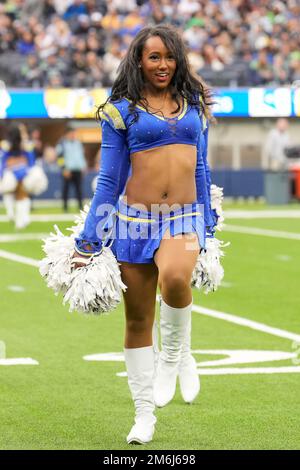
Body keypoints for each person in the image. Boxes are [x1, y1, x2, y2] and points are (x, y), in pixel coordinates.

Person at [72, 24, 216, 445]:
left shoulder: (193, 104)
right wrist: (88, 239)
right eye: (154, 57)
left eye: (169, 57)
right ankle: (143, 414)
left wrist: (207, 219)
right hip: (134, 222)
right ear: (139, 60)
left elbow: (202, 167)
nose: (163, 65)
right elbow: (109, 181)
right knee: (137, 320)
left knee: (175, 277)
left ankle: (176, 353)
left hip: (184, 216)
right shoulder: (121, 111)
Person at [0, 126, 35, 229]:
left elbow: (31, 161)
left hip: (18, 175)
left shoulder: (25, 145)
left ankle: (20, 219)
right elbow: (3, 161)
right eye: (22, 132)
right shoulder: (6, 145)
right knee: (16, 196)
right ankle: (16, 217)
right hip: (14, 175)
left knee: (19, 196)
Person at [56, 127, 86, 211]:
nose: (73, 135)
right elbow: (60, 157)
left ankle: (80, 206)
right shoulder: (62, 143)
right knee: (66, 189)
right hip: (68, 170)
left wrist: (83, 166)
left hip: (77, 169)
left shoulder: (78, 143)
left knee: (79, 189)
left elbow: (81, 156)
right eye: (71, 133)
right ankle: (65, 207)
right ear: (67, 134)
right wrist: (63, 168)